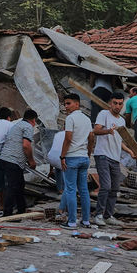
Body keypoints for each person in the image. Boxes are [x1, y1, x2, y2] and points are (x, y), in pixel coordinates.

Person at [92, 92, 134, 226]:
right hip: (102, 155)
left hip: (115, 158)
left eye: (120, 104)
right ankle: (98, 215)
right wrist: (108, 131)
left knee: (115, 188)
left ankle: (108, 216)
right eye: (115, 103)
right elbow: (95, 130)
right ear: (110, 103)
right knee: (105, 186)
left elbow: (119, 141)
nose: (117, 106)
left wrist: (129, 151)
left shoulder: (122, 121)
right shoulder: (104, 114)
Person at [59, 94, 92, 229]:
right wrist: (88, 153)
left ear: (77, 104)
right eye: (65, 104)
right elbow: (91, 138)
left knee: (71, 189)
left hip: (72, 157)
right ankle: (86, 220)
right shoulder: (87, 119)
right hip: (84, 157)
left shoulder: (70, 118)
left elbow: (68, 138)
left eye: (69, 103)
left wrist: (62, 156)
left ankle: (72, 221)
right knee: (84, 190)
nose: (66, 106)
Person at [0, 110, 38, 217]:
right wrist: (31, 161)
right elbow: (26, 145)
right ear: (33, 120)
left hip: (5, 158)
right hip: (13, 160)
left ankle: (21, 210)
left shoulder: (17, 125)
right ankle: (7, 213)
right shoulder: (28, 127)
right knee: (13, 186)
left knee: (19, 185)